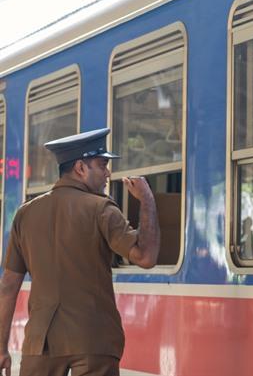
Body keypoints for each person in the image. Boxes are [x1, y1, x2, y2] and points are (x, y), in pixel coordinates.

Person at [0, 128, 160, 376]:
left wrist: (1, 348)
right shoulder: (101, 209)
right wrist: (147, 200)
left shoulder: (25, 214)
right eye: (102, 164)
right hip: (93, 341)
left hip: (40, 345)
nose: (107, 172)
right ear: (80, 168)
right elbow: (146, 256)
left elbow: (8, 288)